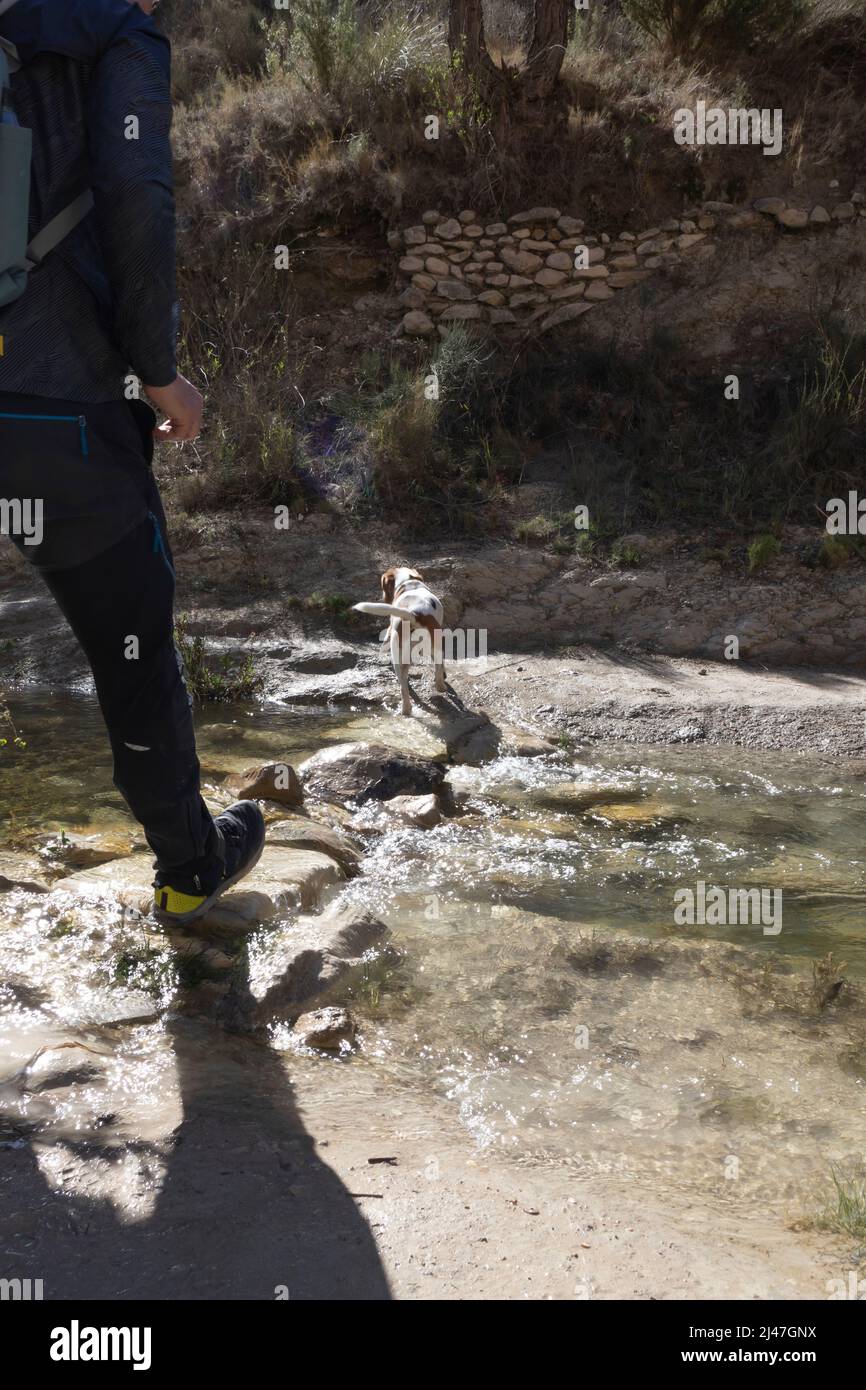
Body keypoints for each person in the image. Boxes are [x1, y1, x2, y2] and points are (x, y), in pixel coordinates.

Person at [0, 0, 265, 924]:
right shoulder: (114, 28)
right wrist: (158, 374)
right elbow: (138, 199)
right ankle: (191, 872)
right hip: (60, 411)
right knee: (131, 646)